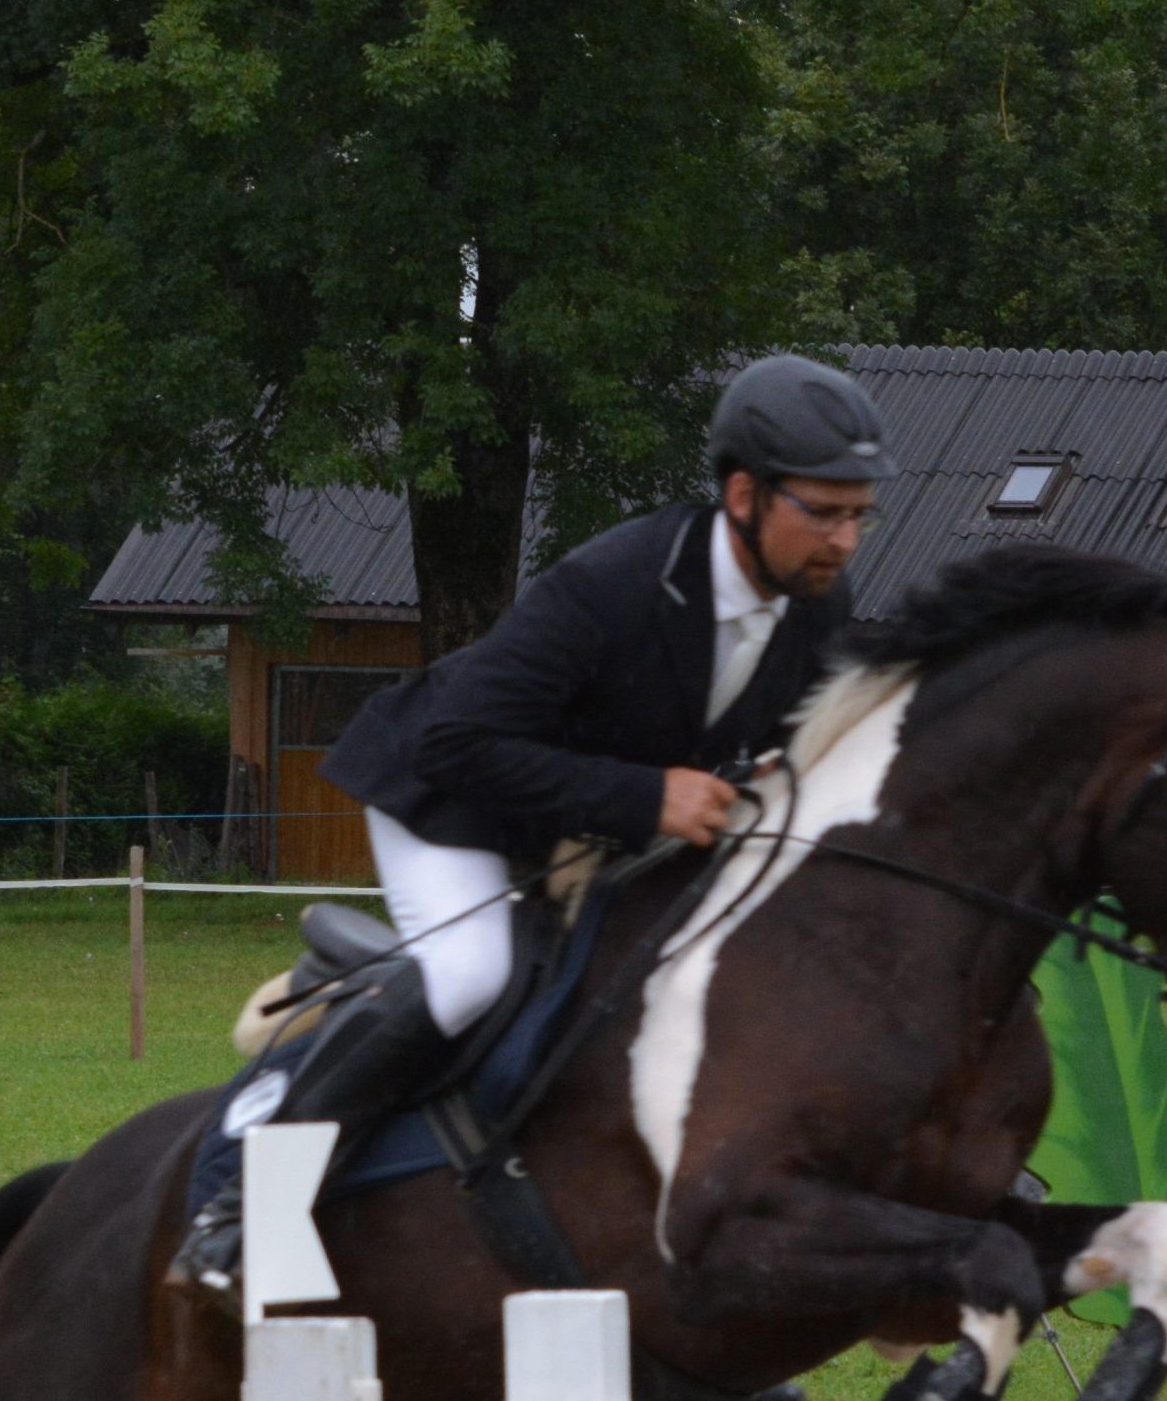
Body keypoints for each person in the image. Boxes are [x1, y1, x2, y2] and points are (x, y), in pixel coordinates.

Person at [164, 352, 894, 1298]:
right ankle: (234, 1199)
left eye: (858, 515)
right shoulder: (619, 579)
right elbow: (461, 743)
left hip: (584, 835)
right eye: (823, 512)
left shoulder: (815, 607)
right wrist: (646, 796)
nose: (844, 539)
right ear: (745, 493)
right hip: (452, 801)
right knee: (472, 977)